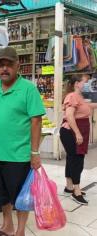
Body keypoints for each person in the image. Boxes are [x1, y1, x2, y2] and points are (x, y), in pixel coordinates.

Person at [0, 47, 45, 236]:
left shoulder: (28, 89)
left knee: (20, 197)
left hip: (19, 155)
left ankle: (20, 231)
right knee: (2, 195)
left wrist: (34, 153)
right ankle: (7, 225)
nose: (4, 69)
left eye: (9, 64)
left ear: (18, 65)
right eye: (1, 64)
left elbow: (36, 121)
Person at [60, 75, 97, 205]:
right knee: (77, 160)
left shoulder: (78, 96)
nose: (87, 84)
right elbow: (70, 116)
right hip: (71, 132)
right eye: (85, 82)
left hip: (75, 131)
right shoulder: (72, 96)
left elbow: (87, 106)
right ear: (77, 83)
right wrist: (77, 133)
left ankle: (69, 186)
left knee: (72, 158)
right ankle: (76, 191)